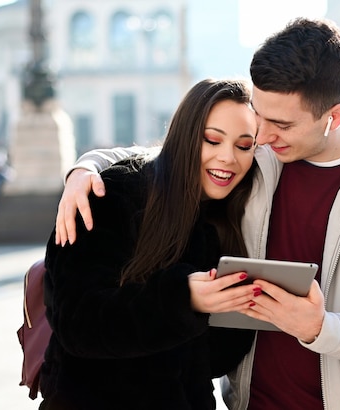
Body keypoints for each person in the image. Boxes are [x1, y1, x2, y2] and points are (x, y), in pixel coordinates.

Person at [55, 18, 340, 410]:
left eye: (282, 124)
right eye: (260, 115)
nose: (262, 135)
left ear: (334, 117)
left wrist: (320, 327)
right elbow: (176, 153)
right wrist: (87, 168)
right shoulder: (257, 157)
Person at [39, 78, 263, 409]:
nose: (228, 157)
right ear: (187, 135)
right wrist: (181, 299)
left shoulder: (221, 219)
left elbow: (208, 361)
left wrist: (241, 311)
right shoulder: (113, 192)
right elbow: (77, 321)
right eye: (213, 140)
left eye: (244, 146)